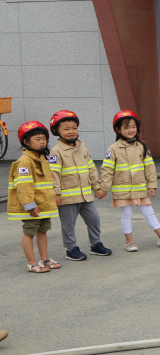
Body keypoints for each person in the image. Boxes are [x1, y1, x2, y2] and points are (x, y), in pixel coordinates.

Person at [100, 110, 160, 251]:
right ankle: (129, 242)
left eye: (133, 127)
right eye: (126, 127)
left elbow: (150, 167)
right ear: (117, 130)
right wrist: (104, 188)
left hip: (139, 188)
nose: (131, 130)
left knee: (149, 212)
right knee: (126, 214)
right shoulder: (113, 149)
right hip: (122, 190)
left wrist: (152, 184)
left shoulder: (142, 147)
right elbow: (107, 170)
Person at [48, 110, 112, 261]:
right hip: (67, 197)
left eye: (74, 128)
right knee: (68, 225)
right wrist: (56, 193)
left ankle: (95, 244)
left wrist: (97, 187)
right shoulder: (56, 152)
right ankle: (71, 249)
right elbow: (54, 175)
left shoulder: (82, 147)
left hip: (86, 195)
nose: (71, 131)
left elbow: (91, 169)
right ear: (56, 131)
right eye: (66, 128)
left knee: (94, 219)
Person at [8, 121, 60, 272]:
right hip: (32, 206)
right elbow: (24, 187)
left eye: (44, 138)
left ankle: (44, 259)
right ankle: (32, 263)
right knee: (29, 232)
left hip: (43, 205)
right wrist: (29, 205)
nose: (42, 141)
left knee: (42, 231)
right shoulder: (24, 161)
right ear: (26, 141)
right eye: (37, 139)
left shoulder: (43, 158)